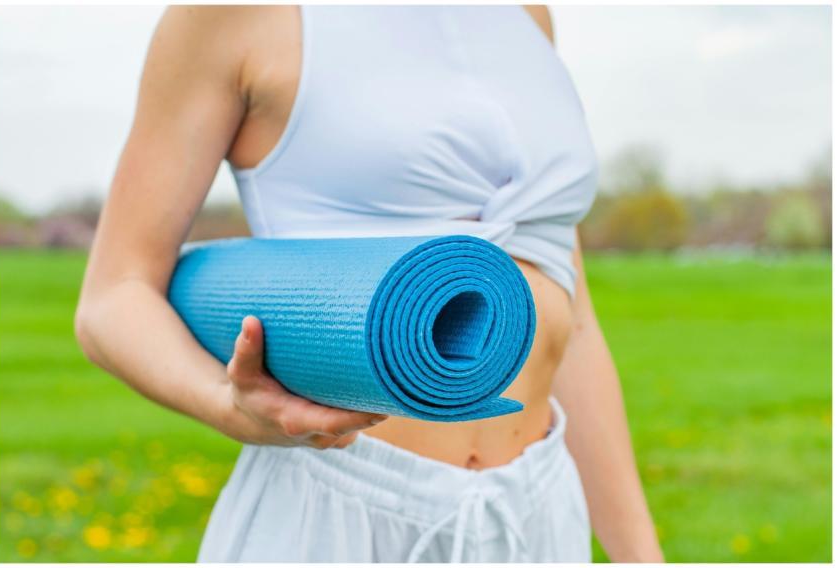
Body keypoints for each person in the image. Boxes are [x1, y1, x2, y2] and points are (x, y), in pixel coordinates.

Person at [75, 5, 662, 562]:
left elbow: (571, 325)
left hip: (539, 508)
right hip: (338, 503)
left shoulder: (528, 16)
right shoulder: (239, 14)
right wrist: (226, 405)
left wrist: (642, 556)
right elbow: (115, 294)